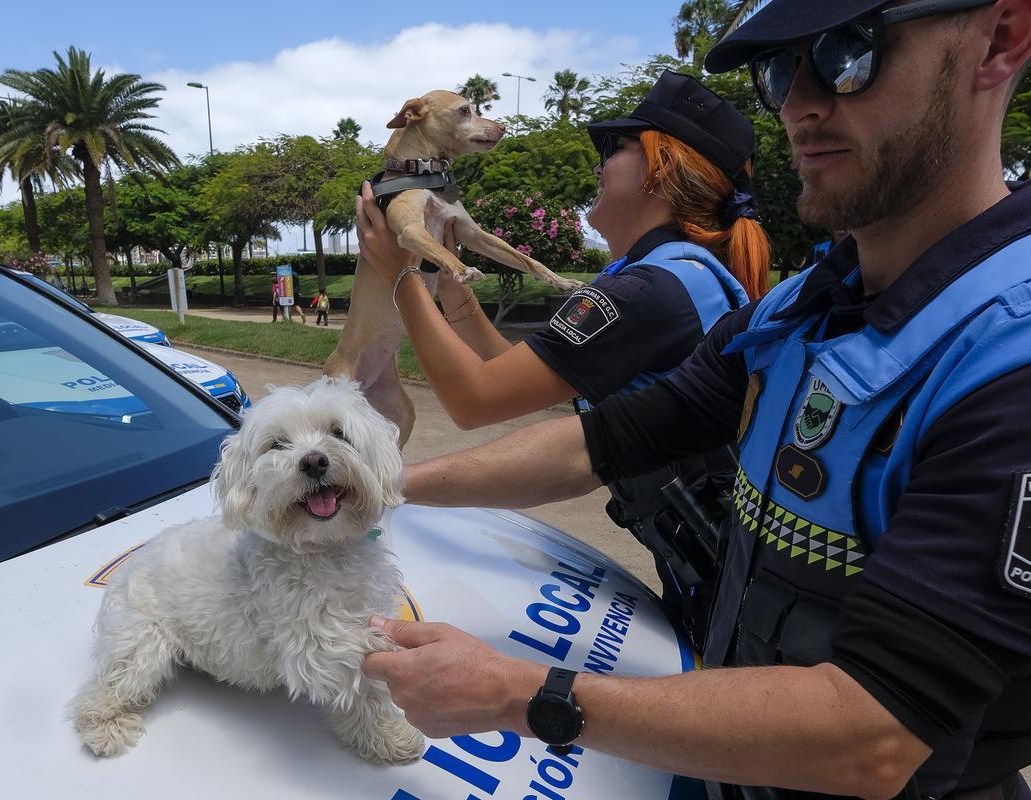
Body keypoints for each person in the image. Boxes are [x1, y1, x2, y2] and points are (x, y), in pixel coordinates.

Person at [362, 2, 1031, 799]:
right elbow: (598, 443)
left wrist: (516, 696)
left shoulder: (1007, 357)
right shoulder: (794, 314)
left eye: (851, 49)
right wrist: (386, 488)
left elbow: (874, 736)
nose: (800, 105)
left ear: (1001, 39)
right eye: (781, 71)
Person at [357, 70, 771, 648]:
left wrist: (399, 271)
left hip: (733, 583)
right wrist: (451, 283)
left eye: (614, 148)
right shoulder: (676, 276)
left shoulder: (649, 293)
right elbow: (513, 372)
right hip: (725, 566)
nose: (598, 165)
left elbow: (476, 400)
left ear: (661, 171)